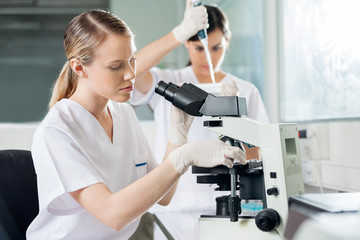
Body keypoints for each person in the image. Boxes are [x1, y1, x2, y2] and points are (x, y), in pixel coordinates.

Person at [25, 9, 247, 240]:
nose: (131, 74)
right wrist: (184, 157)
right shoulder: (57, 131)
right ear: (79, 68)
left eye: (132, 60)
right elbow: (113, 215)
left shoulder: (122, 114)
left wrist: (178, 137)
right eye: (116, 66)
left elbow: (164, 195)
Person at [130, 1, 270, 215]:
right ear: (187, 43)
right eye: (199, 48)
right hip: (173, 206)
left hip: (230, 206)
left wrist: (238, 123)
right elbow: (130, 72)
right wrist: (178, 33)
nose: (208, 57)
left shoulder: (244, 90)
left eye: (216, 48)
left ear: (227, 41)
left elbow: (260, 151)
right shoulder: (170, 82)